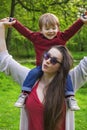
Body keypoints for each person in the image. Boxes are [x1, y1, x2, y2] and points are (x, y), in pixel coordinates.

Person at [0, 22, 87, 130]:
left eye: (54, 60)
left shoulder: (69, 81)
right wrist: (2, 27)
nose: (47, 61)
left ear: (61, 66)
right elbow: (4, 60)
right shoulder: (29, 78)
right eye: (47, 56)